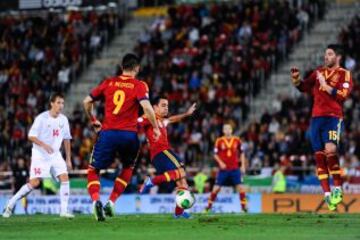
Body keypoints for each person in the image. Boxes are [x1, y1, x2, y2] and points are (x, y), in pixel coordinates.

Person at [83, 53, 160, 221]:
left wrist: (93, 119)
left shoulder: (108, 82)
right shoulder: (138, 85)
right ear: (137, 69)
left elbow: (86, 102)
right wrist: (155, 127)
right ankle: (111, 202)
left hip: (108, 133)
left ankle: (96, 200)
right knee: (127, 168)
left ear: (121, 67)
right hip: (129, 135)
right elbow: (147, 108)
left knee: (94, 170)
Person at [291, 44, 353, 210]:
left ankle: (338, 189)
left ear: (338, 57)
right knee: (319, 156)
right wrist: (296, 80)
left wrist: (325, 86)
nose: (326, 57)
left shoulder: (344, 74)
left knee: (330, 151)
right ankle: (327, 194)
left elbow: (343, 95)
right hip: (316, 118)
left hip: (333, 117)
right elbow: (304, 87)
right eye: (326, 54)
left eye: (330, 54)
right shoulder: (318, 71)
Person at [3, 93, 74, 218]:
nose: (61, 106)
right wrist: (44, 145)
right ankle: (11, 203)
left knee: (64, 177)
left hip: (55, 154)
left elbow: (67, 139)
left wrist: (68, 159)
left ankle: (63, 211)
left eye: (62, 103)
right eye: (58, 103)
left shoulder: (64, 120)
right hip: (40, 155)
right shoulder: (42, 118)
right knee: (34, 183)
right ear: (51, 103)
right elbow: (31, 135)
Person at [138, 96, 196, 219]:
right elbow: (137, 122)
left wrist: (186, 114)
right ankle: (151, 181)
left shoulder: (162, 121)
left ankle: (178, 213)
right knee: (181, 171)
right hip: (161, 152)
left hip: (162, 155)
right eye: (163, 105)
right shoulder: (149, 117)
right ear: (154, 107)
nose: (166, 108)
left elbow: (172, 119)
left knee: (183, 183)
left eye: (167, 106)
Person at [204, 124, 248, 213]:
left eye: (229, 129)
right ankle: (208, 208)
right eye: (225, 129)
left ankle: (244, 208)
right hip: (223, 170)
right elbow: (215, 154)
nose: (227, 130)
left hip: (235, 168)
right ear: (223, 131)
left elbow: (242, 153)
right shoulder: (219, 141)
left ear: (231, 130)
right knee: (216, 188)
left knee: (241, 188)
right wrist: (220, 162)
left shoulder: (237, 140)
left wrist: (243, 165)